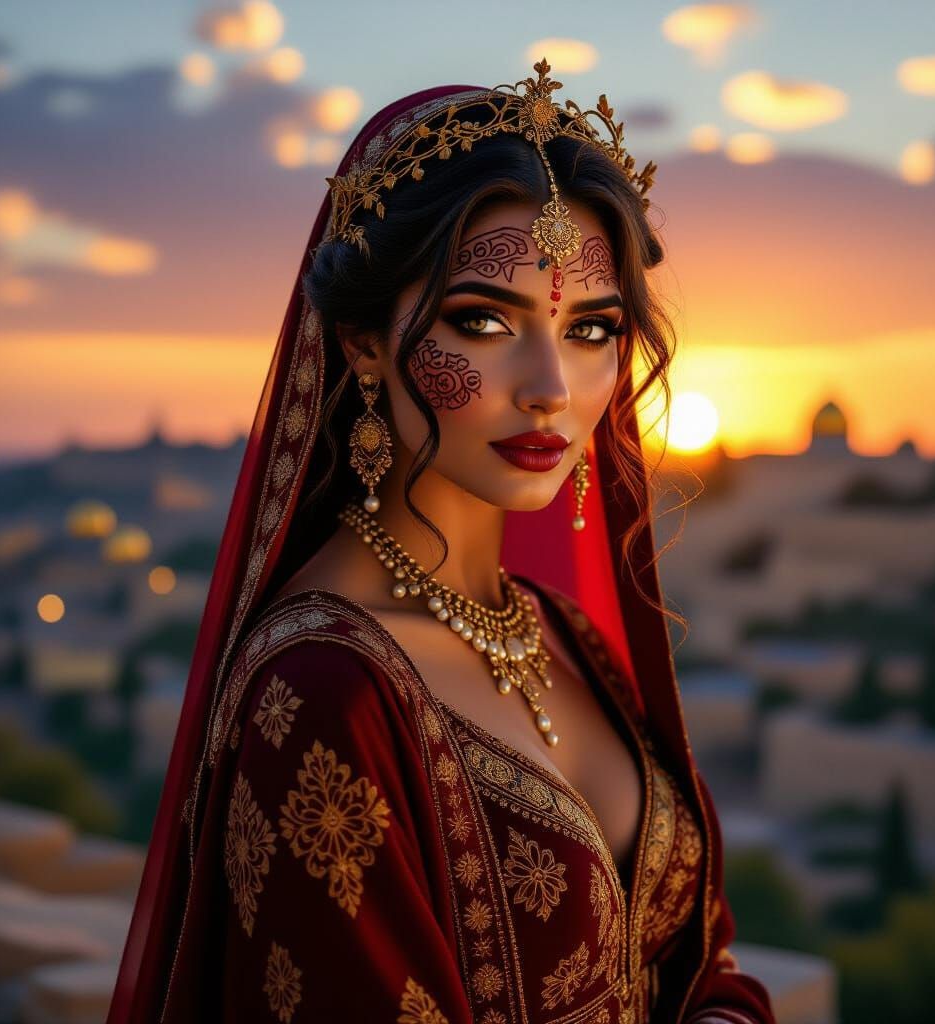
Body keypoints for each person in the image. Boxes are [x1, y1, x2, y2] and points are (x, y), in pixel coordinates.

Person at [106, 60, 776, 1023]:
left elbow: (697, 962)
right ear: (364, 341)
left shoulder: (562, 634)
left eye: (591, 329)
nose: (549, 387)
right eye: (485, 320)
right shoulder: (323, 691)